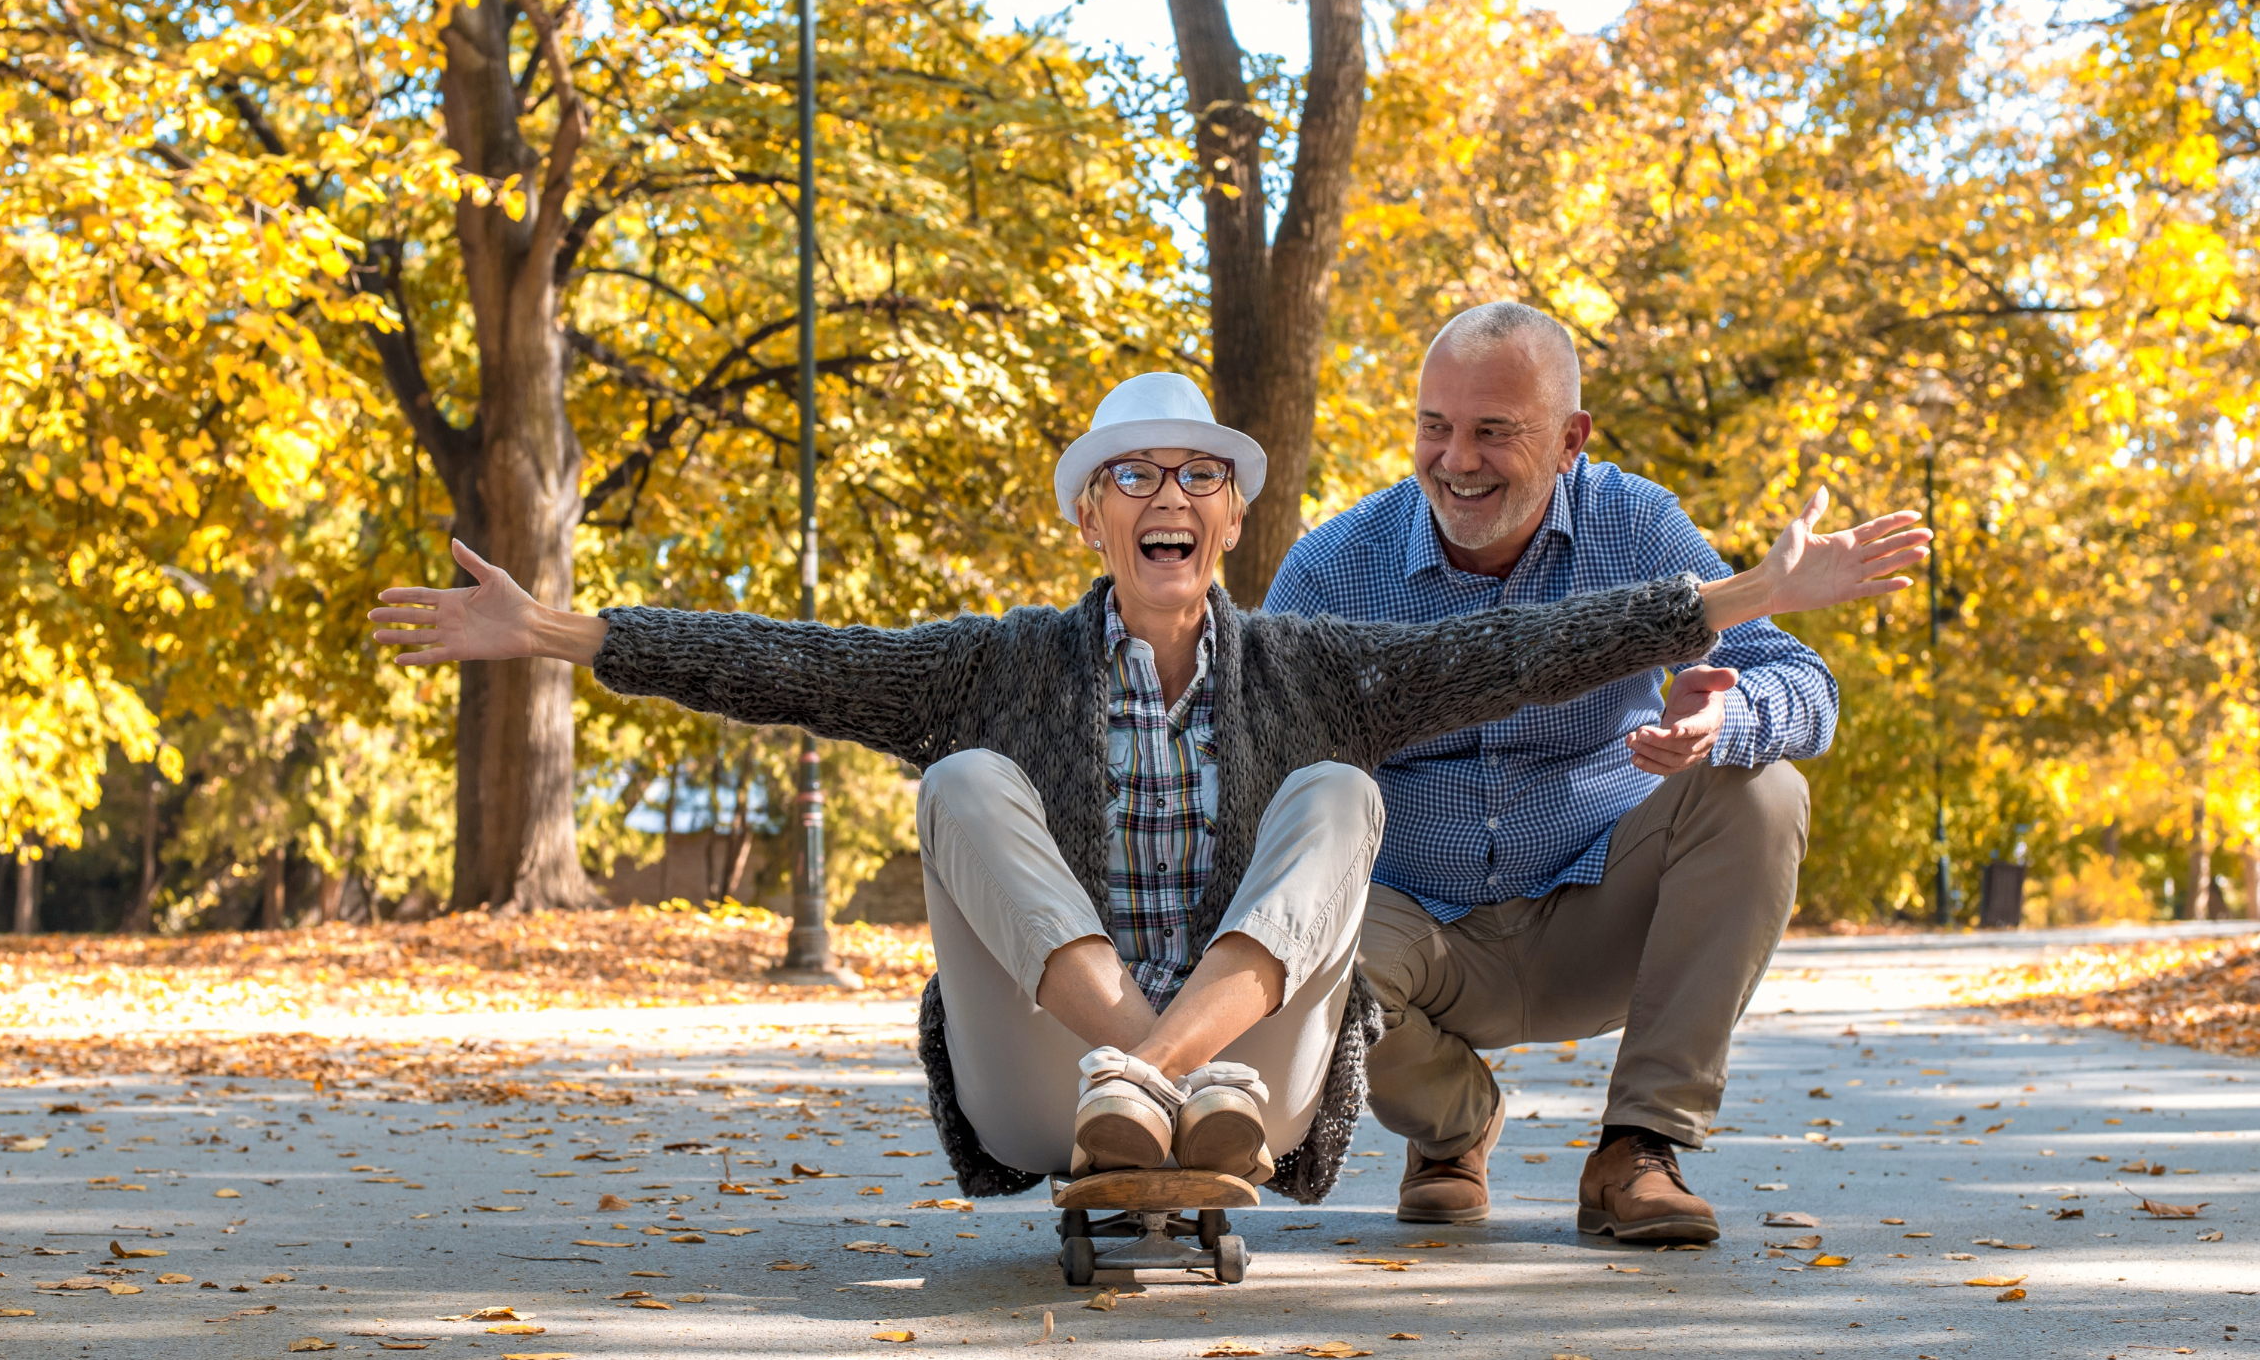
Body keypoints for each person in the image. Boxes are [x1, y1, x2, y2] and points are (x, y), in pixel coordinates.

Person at [372, 372, 1927, 1204]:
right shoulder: (997, 665)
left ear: (1233, 522)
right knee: (968, 780)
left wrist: (1729, 597)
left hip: (1260, 1086)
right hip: (1053, 1079)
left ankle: (1181, 1077)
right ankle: (1143, 1069)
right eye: (1133, 477)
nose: (1166, 497)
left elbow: (1537, 648)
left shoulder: (1320, 665)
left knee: (1335, 795)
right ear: (1090, 522)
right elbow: (791, 662)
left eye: (1196, 477)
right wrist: (559, 632)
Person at [1264, 300, 1862, 1242]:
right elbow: (1261, 772)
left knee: (1765, 788)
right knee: (1281, 934)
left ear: (1571, 438)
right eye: (1436, 427)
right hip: (1417, 926)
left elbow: (1805, 685)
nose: (1457, 460)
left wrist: (1724, 718)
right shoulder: (1333, 567)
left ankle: (1639, 1148)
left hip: (1600, 911)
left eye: (1494, 432)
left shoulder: (1636, 526)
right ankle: (1455, 1126)